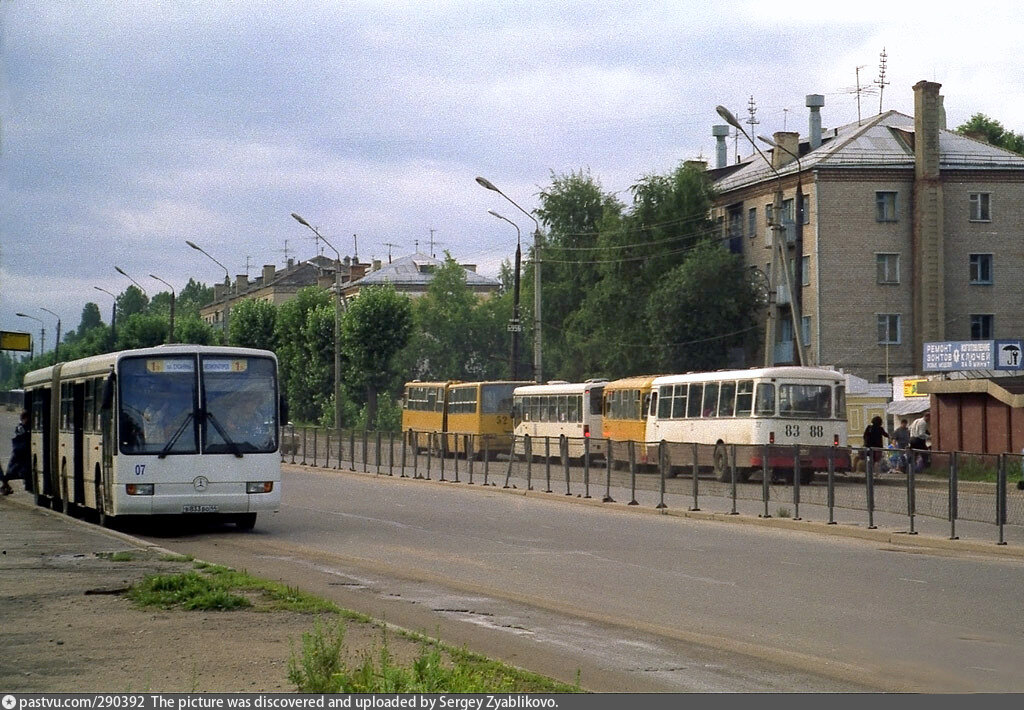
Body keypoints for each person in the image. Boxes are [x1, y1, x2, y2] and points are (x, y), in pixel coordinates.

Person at [2, 410, 30, 495]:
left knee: (14, 471)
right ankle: (5, 486)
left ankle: (5, 486)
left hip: (21, 452)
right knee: (11, 471)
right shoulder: (20, 427)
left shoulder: (24, 427)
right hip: (19, 452)